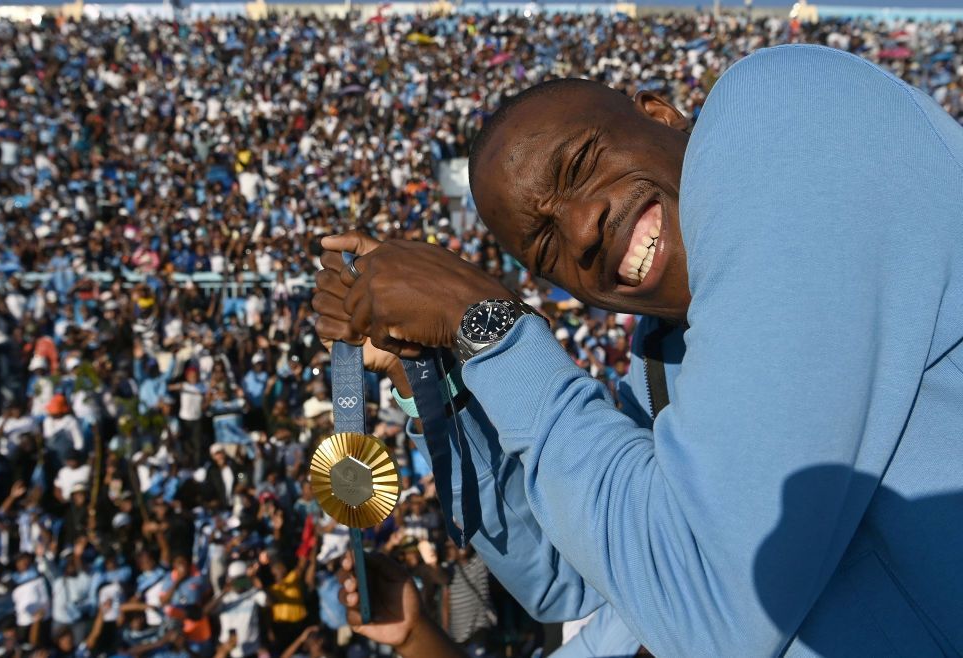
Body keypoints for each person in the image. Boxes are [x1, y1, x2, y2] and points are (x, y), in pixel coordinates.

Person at [314, 45, 963, 655]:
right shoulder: (662, 362)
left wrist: (487, 326)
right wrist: (437, 380)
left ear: (662, 115)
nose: (582, 228)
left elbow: (704, 603)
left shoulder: (776, 108)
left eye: (580, 164)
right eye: (545, 246)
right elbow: (567, 576)